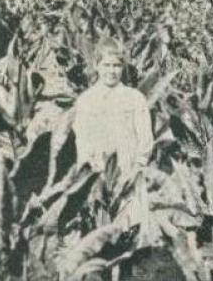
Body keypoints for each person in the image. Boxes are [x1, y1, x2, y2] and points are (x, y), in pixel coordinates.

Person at [70, 35, 156, 281]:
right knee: (101, 232)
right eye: (106, 65)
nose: (111, 71)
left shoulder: (134, 98)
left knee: (128, 233)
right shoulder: (87, 101)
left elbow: (145, 137)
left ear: (123, 67)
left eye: (117, 65)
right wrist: (89, 169)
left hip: (128, 173)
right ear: (96, 65)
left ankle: (125, 274)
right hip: (98, 174)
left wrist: (138, 165)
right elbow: (81, 139)